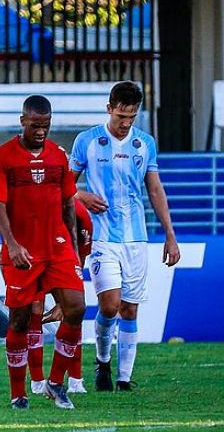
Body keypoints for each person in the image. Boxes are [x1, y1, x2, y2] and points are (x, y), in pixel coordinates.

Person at [70, 81, 181, 391]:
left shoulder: (145, 144)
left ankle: (122, 378)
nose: (125, 124)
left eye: (131, 117)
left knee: (130, 308)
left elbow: (155, 188)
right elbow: (63, 185)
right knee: (109, 305)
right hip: (101, 236)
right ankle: (102, 361)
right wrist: (82, 196)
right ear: (109, 109)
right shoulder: (88, 141)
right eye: (121, 116)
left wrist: (170, 236)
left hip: (136, 237)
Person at [0, 95, 86, 410]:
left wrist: (72, 245)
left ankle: (57, 383)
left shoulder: (58, 155)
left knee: (76, 308)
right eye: (35, 125)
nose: (41, 131)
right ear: (23, 121)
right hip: (23, 253)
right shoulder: (3, 156)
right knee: (18, 320)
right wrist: (12, 244)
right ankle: (18, 394)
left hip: (57, 248)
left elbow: (69, 202)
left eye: (46, 125)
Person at [28, 197, 93, 395]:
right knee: (35, 310)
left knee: (74, 311)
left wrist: (63, 301)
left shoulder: (82, 218)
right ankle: (37, 382)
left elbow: (79, 258)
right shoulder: (34, 209)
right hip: (34, 253)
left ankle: (75, 380)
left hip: (64, 259)